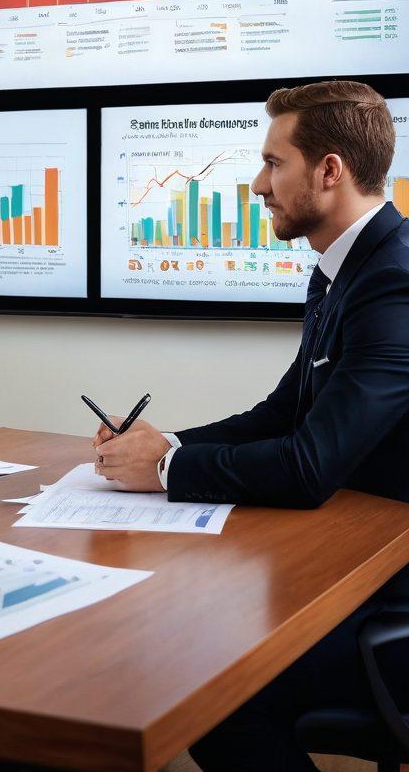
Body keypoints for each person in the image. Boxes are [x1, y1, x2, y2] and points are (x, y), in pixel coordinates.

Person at [92, 79, 409, 772]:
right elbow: (283, 413)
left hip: (388, 596)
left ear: (330, 171)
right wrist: (166, 444)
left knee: (203, 683)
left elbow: (308, 465)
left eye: (274, 162)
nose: (258, 183)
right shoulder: (342, 269)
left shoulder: (395, 280)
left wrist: (167, 473)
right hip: (350, 554)